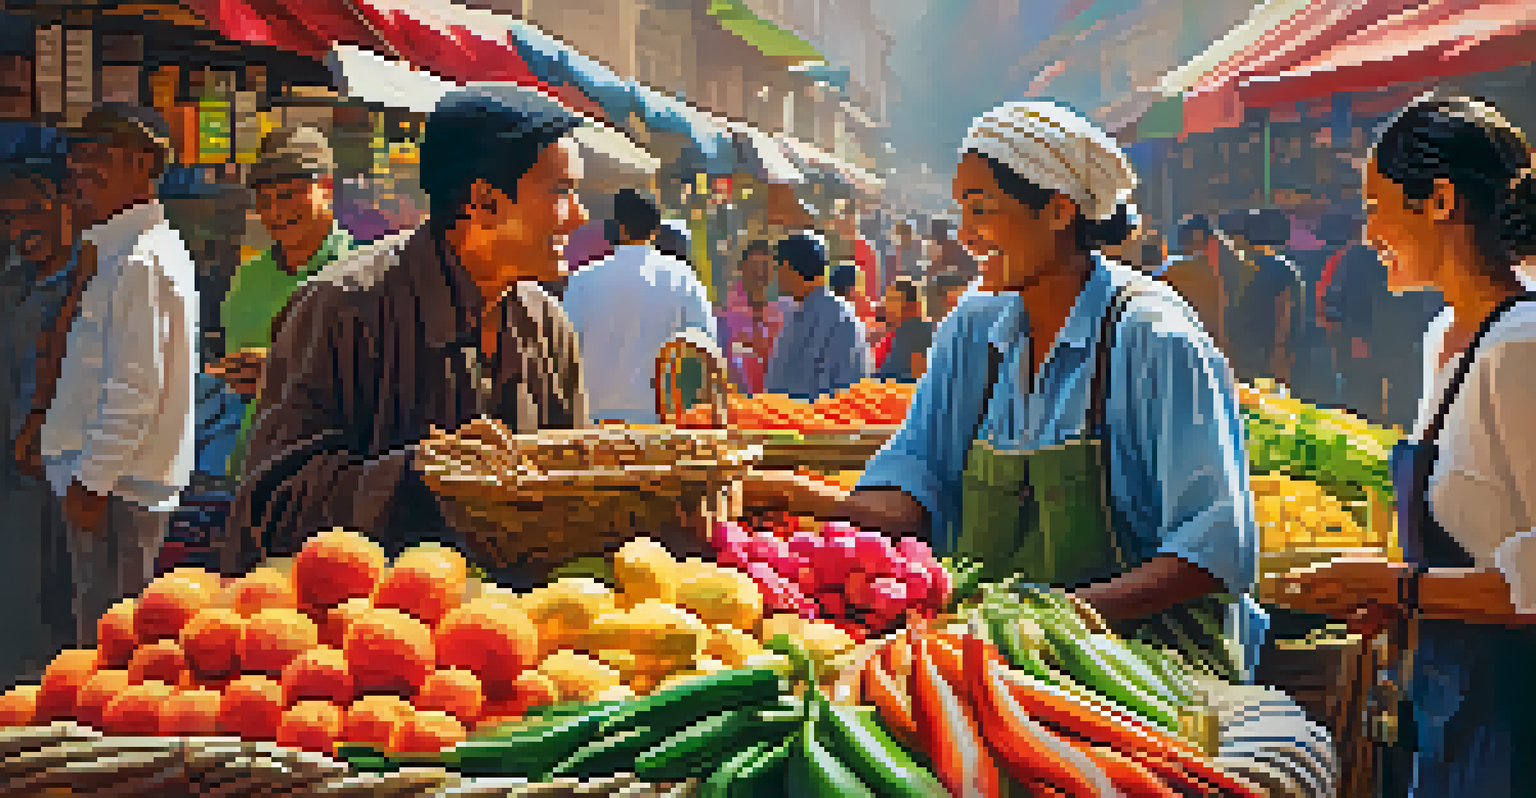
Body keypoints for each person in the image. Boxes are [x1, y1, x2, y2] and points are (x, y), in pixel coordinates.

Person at [751, 101, 1263, 684]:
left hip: (1152, 662)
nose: (964, 235)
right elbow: (919, 483)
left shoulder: (1151, 338)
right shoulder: (974, 327)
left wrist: (1057, 621)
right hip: (1004, 658)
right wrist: (788, 495)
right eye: (962, 211)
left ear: (1058, 210)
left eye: (981, 210)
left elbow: (1214, 550)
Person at [1277, 96, 1536, 797]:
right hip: (1446, 704)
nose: (1366, 234)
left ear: (1440, 201)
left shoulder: (1521, 347)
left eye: (1374, 206)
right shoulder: (1442, 338)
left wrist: (1395, 584)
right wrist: (1405, 600)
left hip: (1514, 723)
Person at [226, 86, 591, 583]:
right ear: (483, 201)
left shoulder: (551, 330)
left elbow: (568, 505)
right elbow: (270, 510)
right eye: (561, 192)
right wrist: (418, 475)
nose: (580, 215)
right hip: (365, 643)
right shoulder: (341, 308)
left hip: (516, 641)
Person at [40, 105, 198, 646]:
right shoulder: (119, 251)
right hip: (111, 488)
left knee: (110, 652)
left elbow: (136, 387)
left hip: (116, 494)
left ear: (143, 164)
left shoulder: (140, 259)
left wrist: (91, 481)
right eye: (78, 156)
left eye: (99, 156)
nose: (81, 169)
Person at [211, 126, 357, 481]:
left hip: (332, 473)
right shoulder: (249, 278)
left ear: (326, 188)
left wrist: (282, 374)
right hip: (251, 468)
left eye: (290, 194)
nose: (276, 211)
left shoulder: (362, 273)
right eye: (265, 200)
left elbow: (377, 382)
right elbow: (241, 388)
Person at [0, 124, 82, 685]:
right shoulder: (13, 283)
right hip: (15, 479)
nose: (19, 227)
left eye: (32, 210)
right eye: (8, 217)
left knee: (47, 620)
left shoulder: (91, 283)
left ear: (67, 205)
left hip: (58, 477)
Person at [563, 188, 716, 425]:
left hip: (595, 424)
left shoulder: (583, 278)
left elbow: (565, 352)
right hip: (663, 426)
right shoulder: (684, 278)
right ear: (656, 229)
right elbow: (705, 348)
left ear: (617, 227)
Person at [763, 232, 871, 401]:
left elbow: (849, 394)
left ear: (788, 268)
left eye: (778, 268)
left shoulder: (842, 320)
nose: (776, 276)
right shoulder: (794, 315)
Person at [721, 240, 785, 395]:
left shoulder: (780, 315)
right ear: (741, 268)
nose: (759, 273)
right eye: (754, 266)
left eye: (765, 266)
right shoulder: (724, 316)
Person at [1159, 214, 1226, 343]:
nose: (1196, 249)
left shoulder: (1168, 271)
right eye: (1191, 242)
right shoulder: (1213, 273)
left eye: (1199, 243)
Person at [874, 278, 933, 383]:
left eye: (892, 300)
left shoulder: (916, 330)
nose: (886, 306)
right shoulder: (897, 329)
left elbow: (919, 377)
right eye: (887, 300)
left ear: (909, 304)